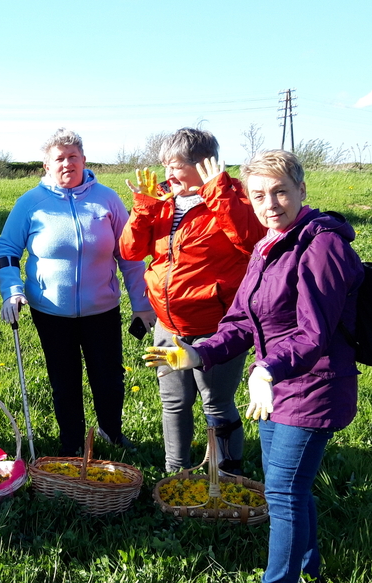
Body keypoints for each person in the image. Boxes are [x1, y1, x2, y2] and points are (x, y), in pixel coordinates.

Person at [147, 149, 364, 583]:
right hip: (276, 387)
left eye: (281, 192)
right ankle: (310, 570)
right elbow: (243, 318)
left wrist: (265, 371)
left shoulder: (320, 245)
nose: (271, 204)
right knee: (292, 489)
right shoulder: (267, 244)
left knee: (282, 493)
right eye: (259, 195)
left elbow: (313, 332)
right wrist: (198, 353)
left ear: (302, 190)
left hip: (312, 386)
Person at [0, 128, 152, 456]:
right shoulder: (31, 203)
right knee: (64, 383)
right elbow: (7, 248)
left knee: (108, 380)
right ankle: (71, 444)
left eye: (73, 157)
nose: (67, 164)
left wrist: (141, 304)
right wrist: (12, 290)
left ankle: (112, 434)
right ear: (46, 166)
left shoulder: (107, 199)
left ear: (84, 160)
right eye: (59, 159)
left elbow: (131, 255)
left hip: (102, 308)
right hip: (52, 311)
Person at [119, 128, 265, 475]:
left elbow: (249, 241)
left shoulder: (234, 199)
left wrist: (217, 191)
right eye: (165, 164)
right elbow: (130, 250)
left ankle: (227, 475)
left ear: (204, 164)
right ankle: (176, 473)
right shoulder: (163, 202)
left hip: (216, 329)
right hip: (169, 326)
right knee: (174, 402)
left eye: (177, 165)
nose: (168, 173)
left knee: (216, 402)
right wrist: (144, 207)